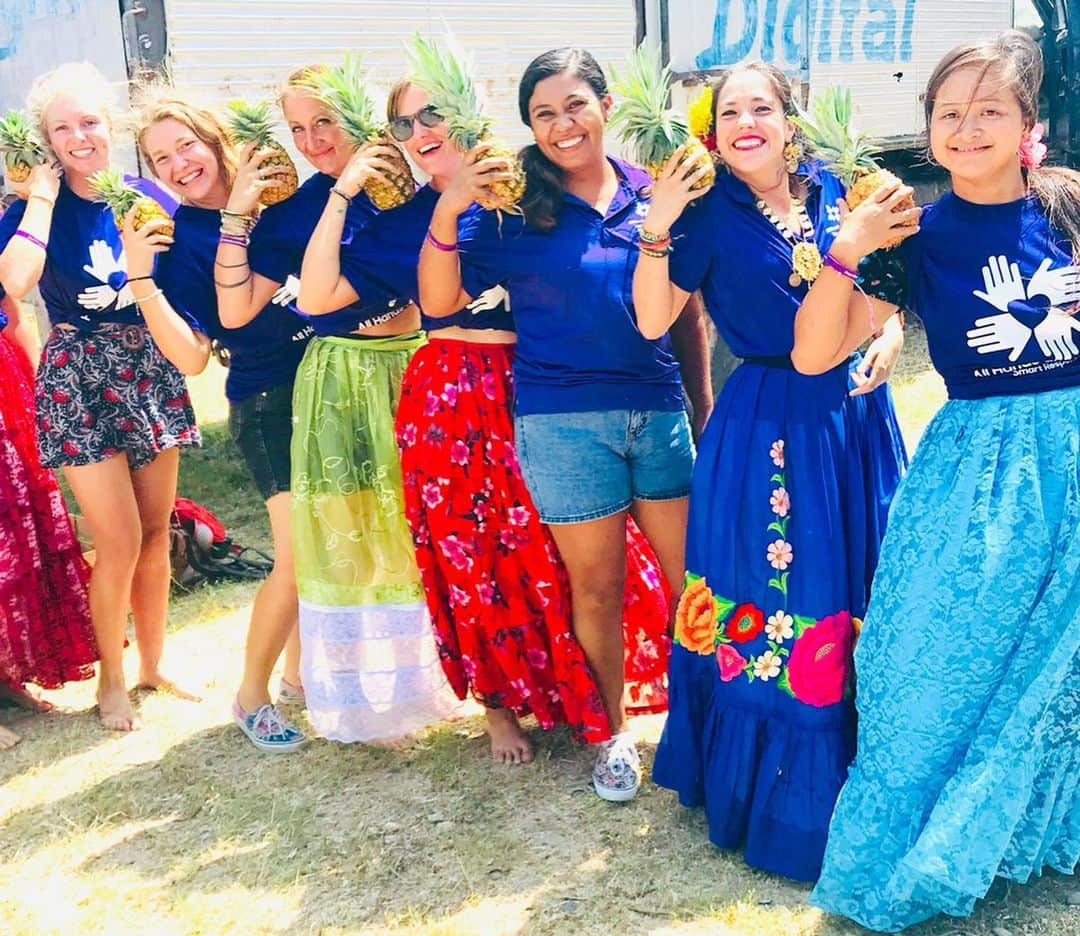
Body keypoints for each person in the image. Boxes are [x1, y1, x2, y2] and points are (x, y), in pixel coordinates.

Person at [297, 75, 672, 764]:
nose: (422, 132)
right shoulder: (406, 222)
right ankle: (499, 709)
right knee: (474, 558)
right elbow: (318, 296)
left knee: (564, 554)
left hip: (543, 385)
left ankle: (578, 692)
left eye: (432, 114)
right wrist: (342, 191)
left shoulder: (528, 185)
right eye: (404, 126)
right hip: (450, 398)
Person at [793, 31, 1078, 930]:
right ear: (928, 132)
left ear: (1028, 124)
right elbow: (813, 354)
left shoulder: (1070, 203)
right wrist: (846, 249)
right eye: (950, 113)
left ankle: (1043, 824)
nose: (968, 127)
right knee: (925, 653)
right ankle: (919, 840)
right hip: (977, 467)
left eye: (991, 109)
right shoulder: (912, 231)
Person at [632, 61, 909, 880]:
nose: (744, 121)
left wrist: (888, 335)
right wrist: (658, 220)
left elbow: (887, 288)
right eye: (727, 112)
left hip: (853, 415)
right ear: (710, 133)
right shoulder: (704, 214)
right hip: (766, 426)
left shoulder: (838, 190)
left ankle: (873, 771)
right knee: (784, 594)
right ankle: (781, 796)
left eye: (763, 107)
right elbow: (651, 317)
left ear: (793, 120)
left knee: (862, 580)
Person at [419, 47, 711, 800]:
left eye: (575, 104)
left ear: (606, 105)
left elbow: (688, 320)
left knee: (693, 583)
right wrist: (451, 207)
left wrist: (702, 411)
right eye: (543, 114)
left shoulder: (655, 194)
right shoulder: (514, 209)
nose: (561, 125)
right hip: (562, 423)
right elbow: (439, 304)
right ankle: (614, 736)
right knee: (598, 589)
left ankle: (708, 723)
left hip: (656, 408)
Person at [216, 66, 455, 744]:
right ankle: (291, 695)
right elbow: (235, 309)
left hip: (413, 364)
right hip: (343, 376)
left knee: (415, 532)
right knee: (337, 545)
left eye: (324, 121)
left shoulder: (416, 185)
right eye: (297, 129)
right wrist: (240, 212)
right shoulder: (298, 212)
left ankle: (418, 682)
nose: (312, 141)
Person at [0, 63, 199, 733]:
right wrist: (43, 199)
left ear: (110, 127)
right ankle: (109, 682)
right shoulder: (33, 209)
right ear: (47, 142)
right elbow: (17, 280)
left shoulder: (148, 196)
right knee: (115, 541)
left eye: (89, 122)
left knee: (153, 534)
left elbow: (185, 279)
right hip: (78, 375)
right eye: (63, 128)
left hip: (149, 370)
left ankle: (152, 666)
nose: (79, 136)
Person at [126, 91, 311, 752]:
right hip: (267, 400)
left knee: (323, 547)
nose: (178, 164)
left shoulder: (280, 192)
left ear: (214, 139)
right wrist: (142, 281)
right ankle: (251, 695)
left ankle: (298, 675)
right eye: (160, 158)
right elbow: (194, 357)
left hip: (333, 383)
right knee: (294, 556)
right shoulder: (179, 244)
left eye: (186, 146)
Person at [0, 288, 97, 747]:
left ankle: (6, 680)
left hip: (7, 384)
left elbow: (12, 311)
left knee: (19, 543)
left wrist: (40, 395)